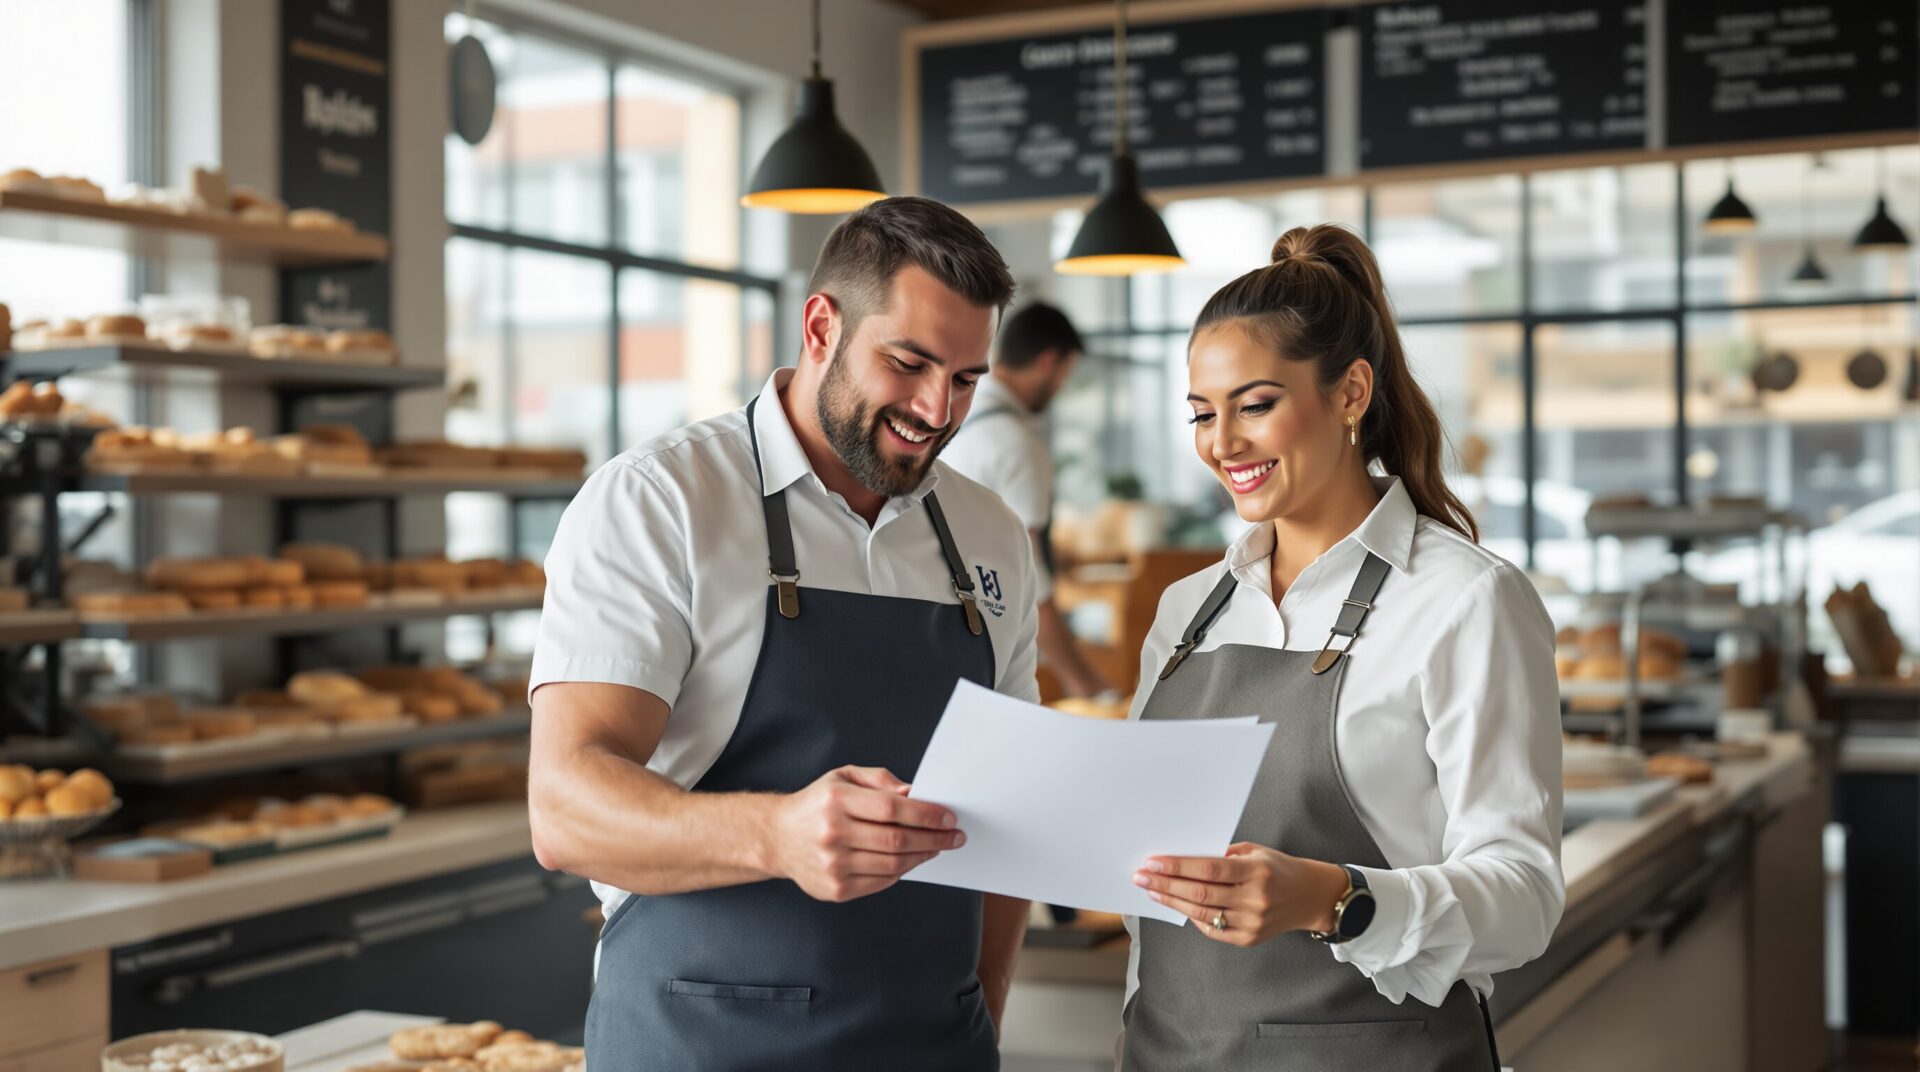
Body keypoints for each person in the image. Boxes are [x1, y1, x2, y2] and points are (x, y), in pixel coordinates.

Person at [527, 197, 1040, 1071]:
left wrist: (980, 1018)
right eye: (909, 363)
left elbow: (1010, 811)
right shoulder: (662, 502)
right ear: (820, 327)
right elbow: (566, 808)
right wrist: (777, 835)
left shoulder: (990, 533)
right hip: (704, 1048)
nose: (935, 408)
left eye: (965, 379)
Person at [1120, 224, 1563, 1070]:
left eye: (1255, 405)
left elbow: (1525, 897)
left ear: (1351, 392)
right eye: (1202, 414)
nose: (1223, 443)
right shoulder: (1187, 614)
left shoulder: (1466, 599)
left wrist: (1338, 899)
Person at [942, 301, 1110, 698]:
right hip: (988, 645)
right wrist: (1084, 682)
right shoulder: (1017, 444)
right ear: (1048, 362)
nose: (1062, 387)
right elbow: (1033, 585)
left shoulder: (954, 418)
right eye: (1066, 374)